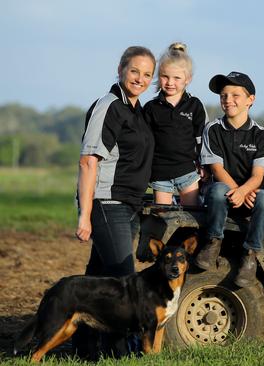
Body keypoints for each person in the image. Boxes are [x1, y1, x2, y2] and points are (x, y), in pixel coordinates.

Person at [75, 46, 156, 356]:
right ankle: (120, 352)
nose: (140, 78)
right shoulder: (109, 106)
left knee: (97, 282)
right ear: (121, 68)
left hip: (129, 203)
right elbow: (88, 161)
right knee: (124, 281)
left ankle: (85, 349)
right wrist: (86, 214)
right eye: (134, 70)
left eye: (147, 74)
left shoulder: (135, 109)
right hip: (107, 203)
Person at [196, 71, 264, 288]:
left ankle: (250, 254)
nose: (228, 100)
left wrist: (245, 192)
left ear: (251, 100)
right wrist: (238, 191)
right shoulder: (213, 129)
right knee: (217, 190)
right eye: (223, 95)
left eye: (235, 95)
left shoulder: (259, 134)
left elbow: (258, 175)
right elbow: (217, 169)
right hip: (223, 196)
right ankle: (213, 241)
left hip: (248, 195)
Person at [144, 42, 209, 206]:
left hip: (187, 171)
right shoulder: (151, 108)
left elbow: (201, 137)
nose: (170, 82)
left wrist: (203, 165)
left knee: (192, 217)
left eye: (177, 78)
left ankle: (190, 234)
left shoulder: (194, 105)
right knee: (162, 217)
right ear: (159, 76)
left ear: (188, 79)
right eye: (165, 76)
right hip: (160, 172)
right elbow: (145, 142)